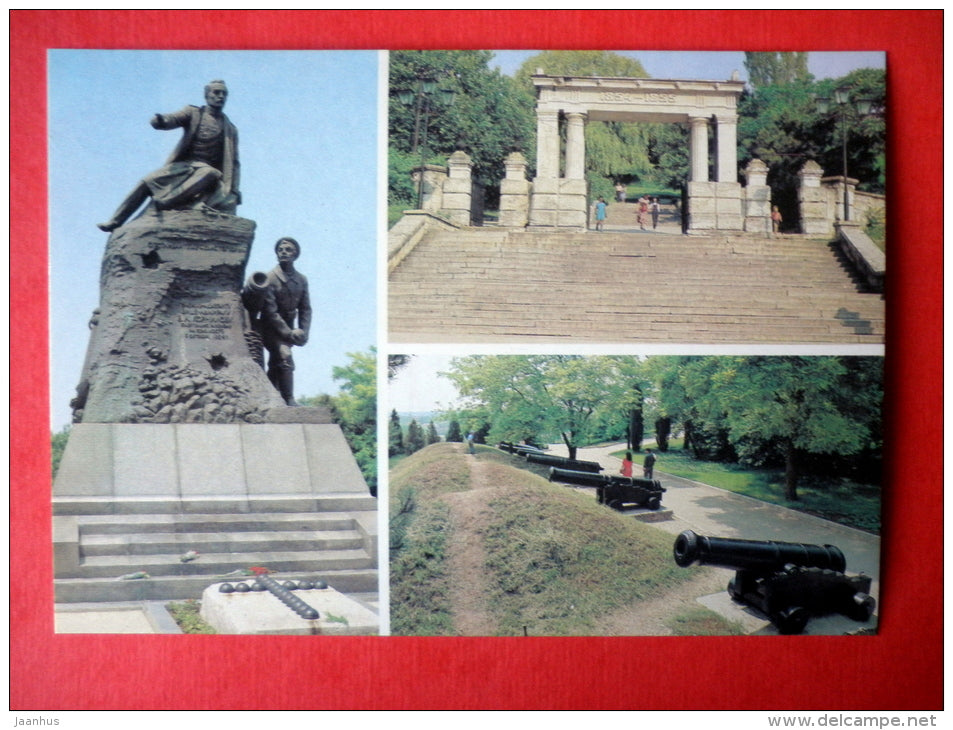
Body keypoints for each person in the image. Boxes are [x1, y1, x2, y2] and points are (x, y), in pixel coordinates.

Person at [98, 80, 241, 232]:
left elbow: (235, 163)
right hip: (184, 165)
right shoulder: (193, 113)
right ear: (206, 95)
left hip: (206, 173)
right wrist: (160, 121)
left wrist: (234, 190)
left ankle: (165, 202)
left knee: (210, 172)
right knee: (147, 181)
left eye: (224, 94)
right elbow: (173, 119)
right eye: (216, 92)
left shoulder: (230, 129)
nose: (220, 97)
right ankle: (116, 220)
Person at [243, 237, 311, 406]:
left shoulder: (301, 279)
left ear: (296, 254)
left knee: (276, 364)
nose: (283, 252)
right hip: (270, 328)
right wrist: (289, 334)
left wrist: (304, 332)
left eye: (288, 250)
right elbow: (270, 311)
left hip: (290, 328)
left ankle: (272, 395)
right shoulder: (270, 277)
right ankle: (289, 399)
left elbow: (306, 308)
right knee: (285, 357)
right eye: (280, 249)